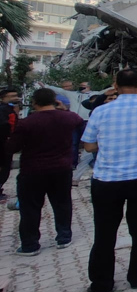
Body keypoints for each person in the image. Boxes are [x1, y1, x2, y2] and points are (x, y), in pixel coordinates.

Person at [81, 69, 137, 292]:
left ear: (115, 86)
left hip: (107, 179)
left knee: (104, 232)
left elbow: (89, 146)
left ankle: (102, 285)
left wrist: (110, 145)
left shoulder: (100, 111)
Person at [7, 89, 84, 256]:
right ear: (55, 101)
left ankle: (30, 244)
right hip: (62, 168)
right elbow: (79, 123)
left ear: (34, 102)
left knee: (30, 207)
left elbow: (13, 147)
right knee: (62, 203)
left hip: (33, 170)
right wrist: (64, 109)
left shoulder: (27, 122)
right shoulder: (68, 118)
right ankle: (64, 237)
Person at [0, 88, 21, 202]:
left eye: (16, 95)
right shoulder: (3, 110)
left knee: (6, 166)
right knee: (3, 166)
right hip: (3, 143)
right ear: (3, 98)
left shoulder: (11, 109)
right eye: (12, 96)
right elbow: (4, 126)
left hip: (7, 143)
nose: (15, 98)